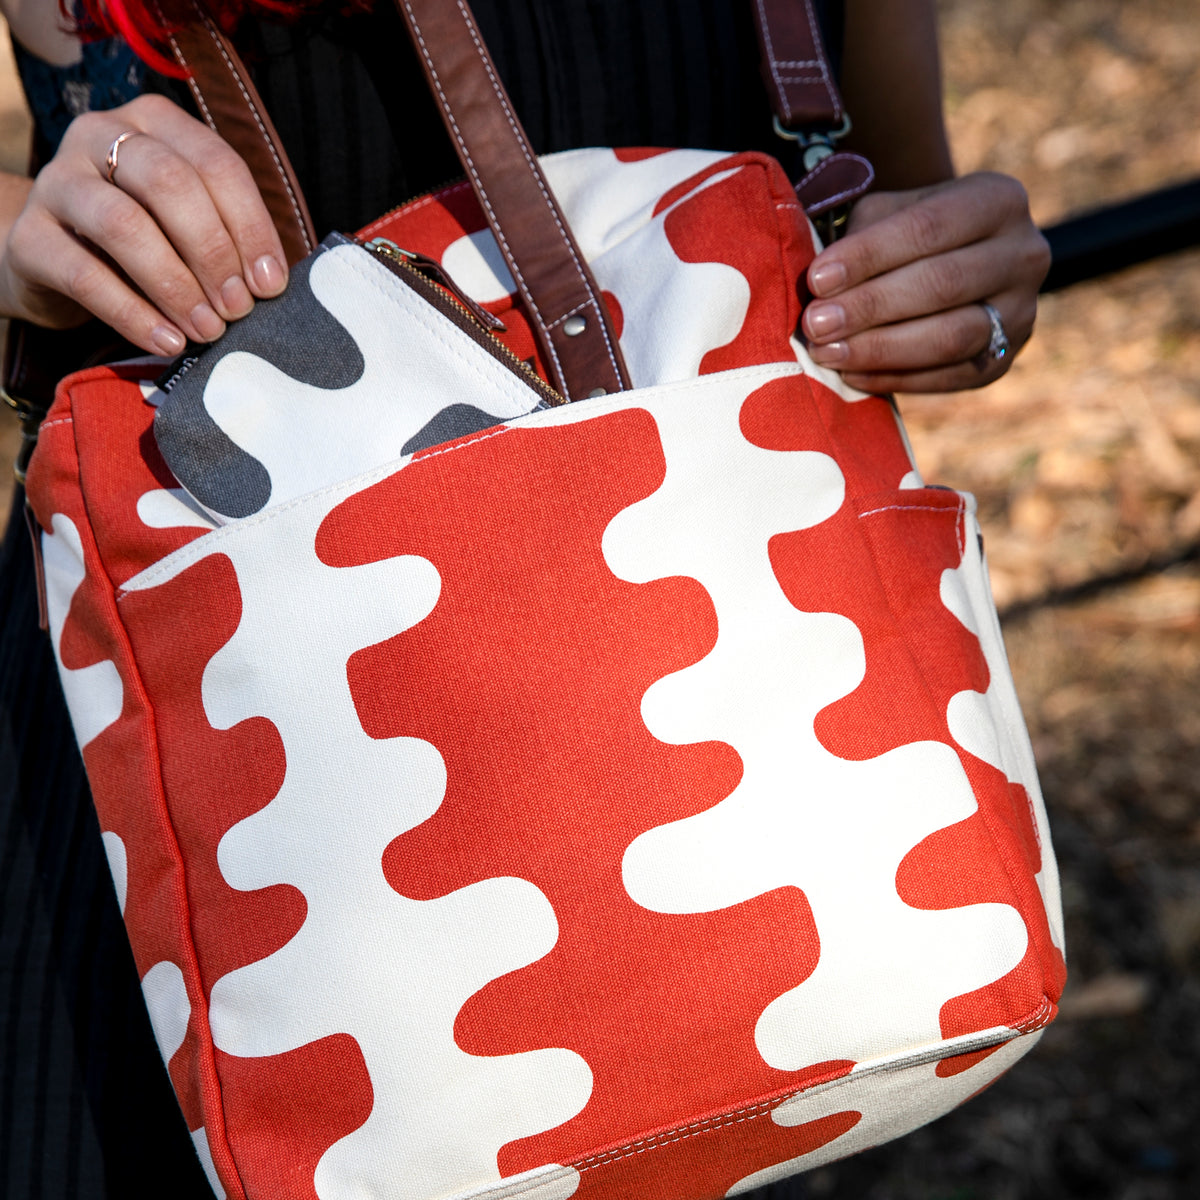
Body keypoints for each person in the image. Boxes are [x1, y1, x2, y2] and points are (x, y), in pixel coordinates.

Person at [0, 1, 1051, 1195]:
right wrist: (21, 238)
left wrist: (954, 280)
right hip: (185, 784)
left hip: (757, 795)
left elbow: (891, 185)